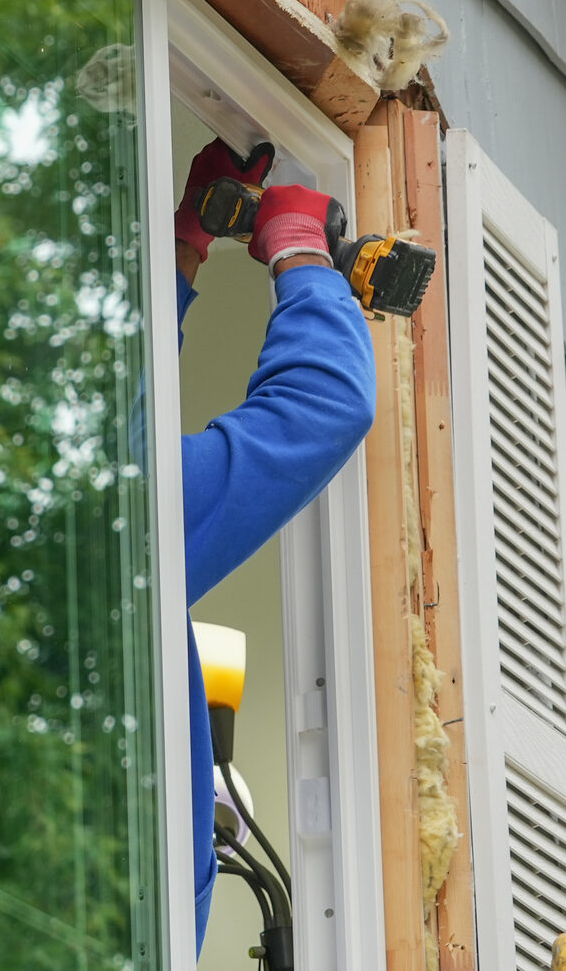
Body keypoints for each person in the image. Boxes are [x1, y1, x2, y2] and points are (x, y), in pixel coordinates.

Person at [168, 138, 377, 951]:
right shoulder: (114, 525)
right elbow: (323, 405)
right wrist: (300, 250)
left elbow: (113, 399)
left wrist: (186, 244)